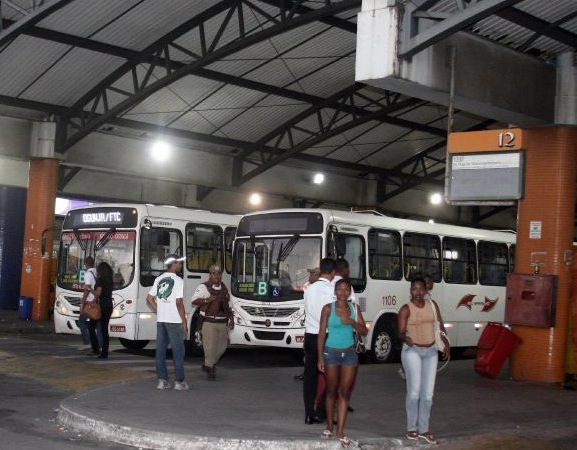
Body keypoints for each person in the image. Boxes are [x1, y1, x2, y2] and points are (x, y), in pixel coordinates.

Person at [397, 277, 450, 445]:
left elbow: (440, 326)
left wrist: (446, 343)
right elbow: (399, 332)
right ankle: (411, 428)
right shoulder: (406, 309)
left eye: (421, 289)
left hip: (431, 351)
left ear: (426, 290)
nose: (418, 292)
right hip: (412, 350)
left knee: (427, 395)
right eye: (415, 289)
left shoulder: (432, 306)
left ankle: (424, 429)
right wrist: (406, 338)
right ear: (410, 290)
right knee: (414, 391)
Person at [317, 278, 367, 447]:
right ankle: (330, 426)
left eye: (346, 289)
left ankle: (340, 431)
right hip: (331, 352)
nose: (343, 292)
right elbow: (321, 334)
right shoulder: (327, 309)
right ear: (335, 291)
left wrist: (351, 321)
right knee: (331, 390)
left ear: (350, 292)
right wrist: (320, 357)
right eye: (340, 289)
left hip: (350, 354)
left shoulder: (354, 308)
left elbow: (364, 331)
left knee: (344, 393)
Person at [146, 254, 189, 391]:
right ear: (174, 264)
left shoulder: (159, 279)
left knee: (160, 352)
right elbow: (179, 302)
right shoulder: (178, 280)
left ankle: (162, 381)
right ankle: (179, 382)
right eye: (179, 263)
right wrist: (184, 321)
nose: (181, 265)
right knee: (178, 352)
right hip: (174, 321)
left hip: (161, 321)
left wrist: (160, 310)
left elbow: (149, 298)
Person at [303, 258, 336, 425]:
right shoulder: (333, 291)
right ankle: (323, 410)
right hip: (326, 336)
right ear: (333, 273)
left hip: (309, 335)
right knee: (334, 376)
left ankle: (309, 414)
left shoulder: (308, 289)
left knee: (310, 377)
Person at [191, 264, 234, 380]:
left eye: (219, 273)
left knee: (222, 348)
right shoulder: (203, 287)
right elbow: (194, 301)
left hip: (222, 323)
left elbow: (229, 306)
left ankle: (208, 365)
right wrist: (207, 300)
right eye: (214, 273)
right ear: (210, 275)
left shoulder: (224, 288)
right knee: (210, 348)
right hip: (209, 322)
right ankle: (210, 369)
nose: (217, 276)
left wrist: (232, 319)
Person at [91, 262, 114, 359]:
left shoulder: (100, 280)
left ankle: (96, 349)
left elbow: (98, 294)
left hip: (101, 306)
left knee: (91, 326)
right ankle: (104, 352)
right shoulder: (109, 280)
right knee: (104, 329)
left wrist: (89, 289)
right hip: (109, 305)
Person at [80, 256, 97, 353]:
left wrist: (83, 301)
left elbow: (87, 288)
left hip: (89, 302)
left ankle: (87, 343)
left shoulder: (87, 274)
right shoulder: (96, 272)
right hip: (95, 301)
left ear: (85, 264)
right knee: (95, 324)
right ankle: (97, 344)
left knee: (81, 321)